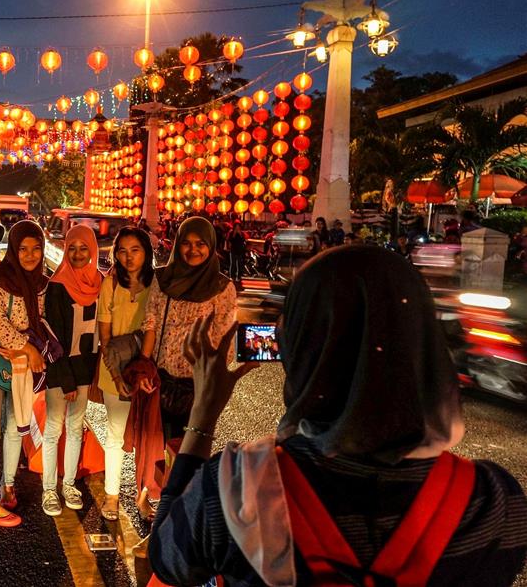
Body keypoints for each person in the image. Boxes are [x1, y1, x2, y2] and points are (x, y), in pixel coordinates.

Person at [149, 246, 527, 586]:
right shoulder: (494, 506)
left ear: (303, 350)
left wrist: (203, 414)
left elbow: (168, 562)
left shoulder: (237, 490)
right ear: (424, 340)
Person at [0, 220, 49, 528]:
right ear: (14, 249)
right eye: (24, 249)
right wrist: (26, 348)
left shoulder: (43, 283)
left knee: (14, 429)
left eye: (36, 249)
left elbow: (43, 323)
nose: (31, 255)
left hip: (23, 369)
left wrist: (30, 349)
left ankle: (7, 484)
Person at [141, 216, 236, 441]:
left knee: (186, 453)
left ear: (211, 246)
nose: (193, 249)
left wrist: (212, 383)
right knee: (154, 451)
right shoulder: (162, 278)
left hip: (196, 386)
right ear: (177, 243)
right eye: (187, 243)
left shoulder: (222, 287)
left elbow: (225, 340)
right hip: (158, 379)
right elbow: (151, 321)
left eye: (200, 244)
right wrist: (144, 366)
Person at [40, 225, 103, 517]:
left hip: (85, 369)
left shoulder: (100, 282)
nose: (78, 254)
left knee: (76, 428)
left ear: (93, 249)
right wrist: (65, 381)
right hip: (61, 370)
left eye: (84, 248)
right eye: (72, 248)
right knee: (54, 429)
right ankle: (49, 489)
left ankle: (68, 484)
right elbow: (54, 338)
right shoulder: (57, 285)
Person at [97, 226, 154, 521]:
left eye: (135, 250)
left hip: (146, 373)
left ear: (146, 252)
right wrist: (116, 375)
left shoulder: (157, 285)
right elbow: (104, 337)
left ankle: (143, 496)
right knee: (115, 435)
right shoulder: (110, 284)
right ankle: (112, 494)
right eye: (122, 251)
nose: (129, 257)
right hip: (114, 371)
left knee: (148, 436)